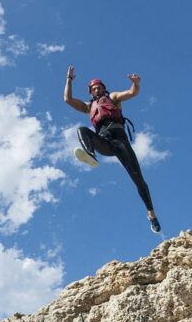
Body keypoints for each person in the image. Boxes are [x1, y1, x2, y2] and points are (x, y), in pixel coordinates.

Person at [64, 66, 161, 233]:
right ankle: (91, 155)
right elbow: (68, 99)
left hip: (121, 141)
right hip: (105, 142)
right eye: (94, 89)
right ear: (91, 92)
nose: (97, 90)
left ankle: (152, 215)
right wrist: (69, 80)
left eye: (99, 87)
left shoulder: (113, 97)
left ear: (104, 88)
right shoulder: (88, 107)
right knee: (82, 130)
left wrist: (136, 84)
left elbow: (131, 93)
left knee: (138, 179)